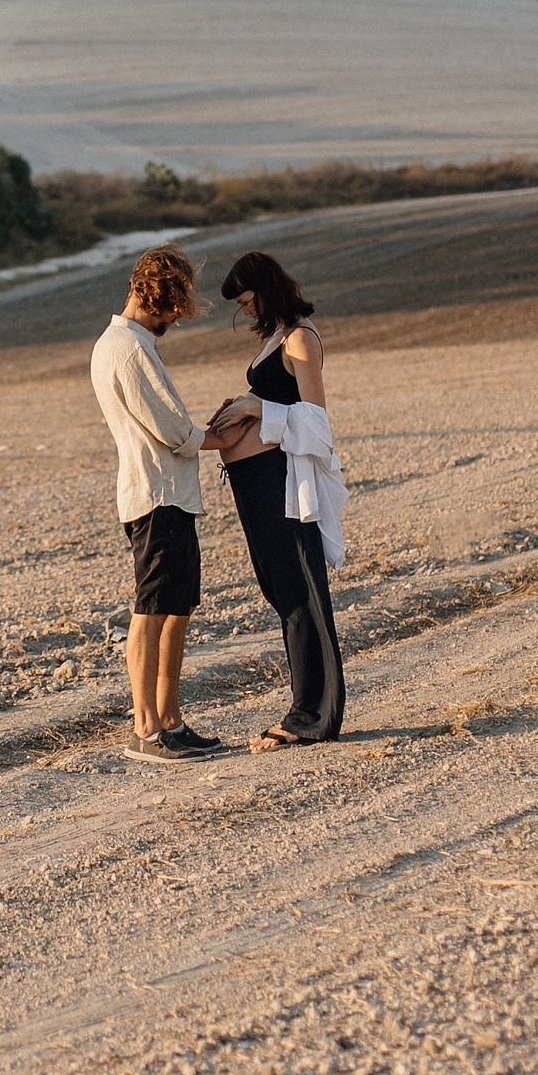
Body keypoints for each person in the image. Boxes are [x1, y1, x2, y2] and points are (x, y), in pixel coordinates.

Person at [90, 246, 250, 764]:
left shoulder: (127, 344)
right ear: (157, 300)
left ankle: (170, 721)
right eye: (173, 311)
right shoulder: (128, 348)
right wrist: (225, 436)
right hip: (155, 495)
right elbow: (171, 430)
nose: (174, 322)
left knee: (177, 609)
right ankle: (146, 727)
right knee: (153, 610)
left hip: (168, 494)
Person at [206, 251, 348, 751]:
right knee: (282, 592)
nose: (244, 310)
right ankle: (307, 710)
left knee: (301, 593)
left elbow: (317, 424)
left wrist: (253, 405)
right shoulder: (274, 339)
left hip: (283, 483)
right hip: (258, 482)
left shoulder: (301, 339)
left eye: (247, 300)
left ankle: (312, 716)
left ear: (266, 289)